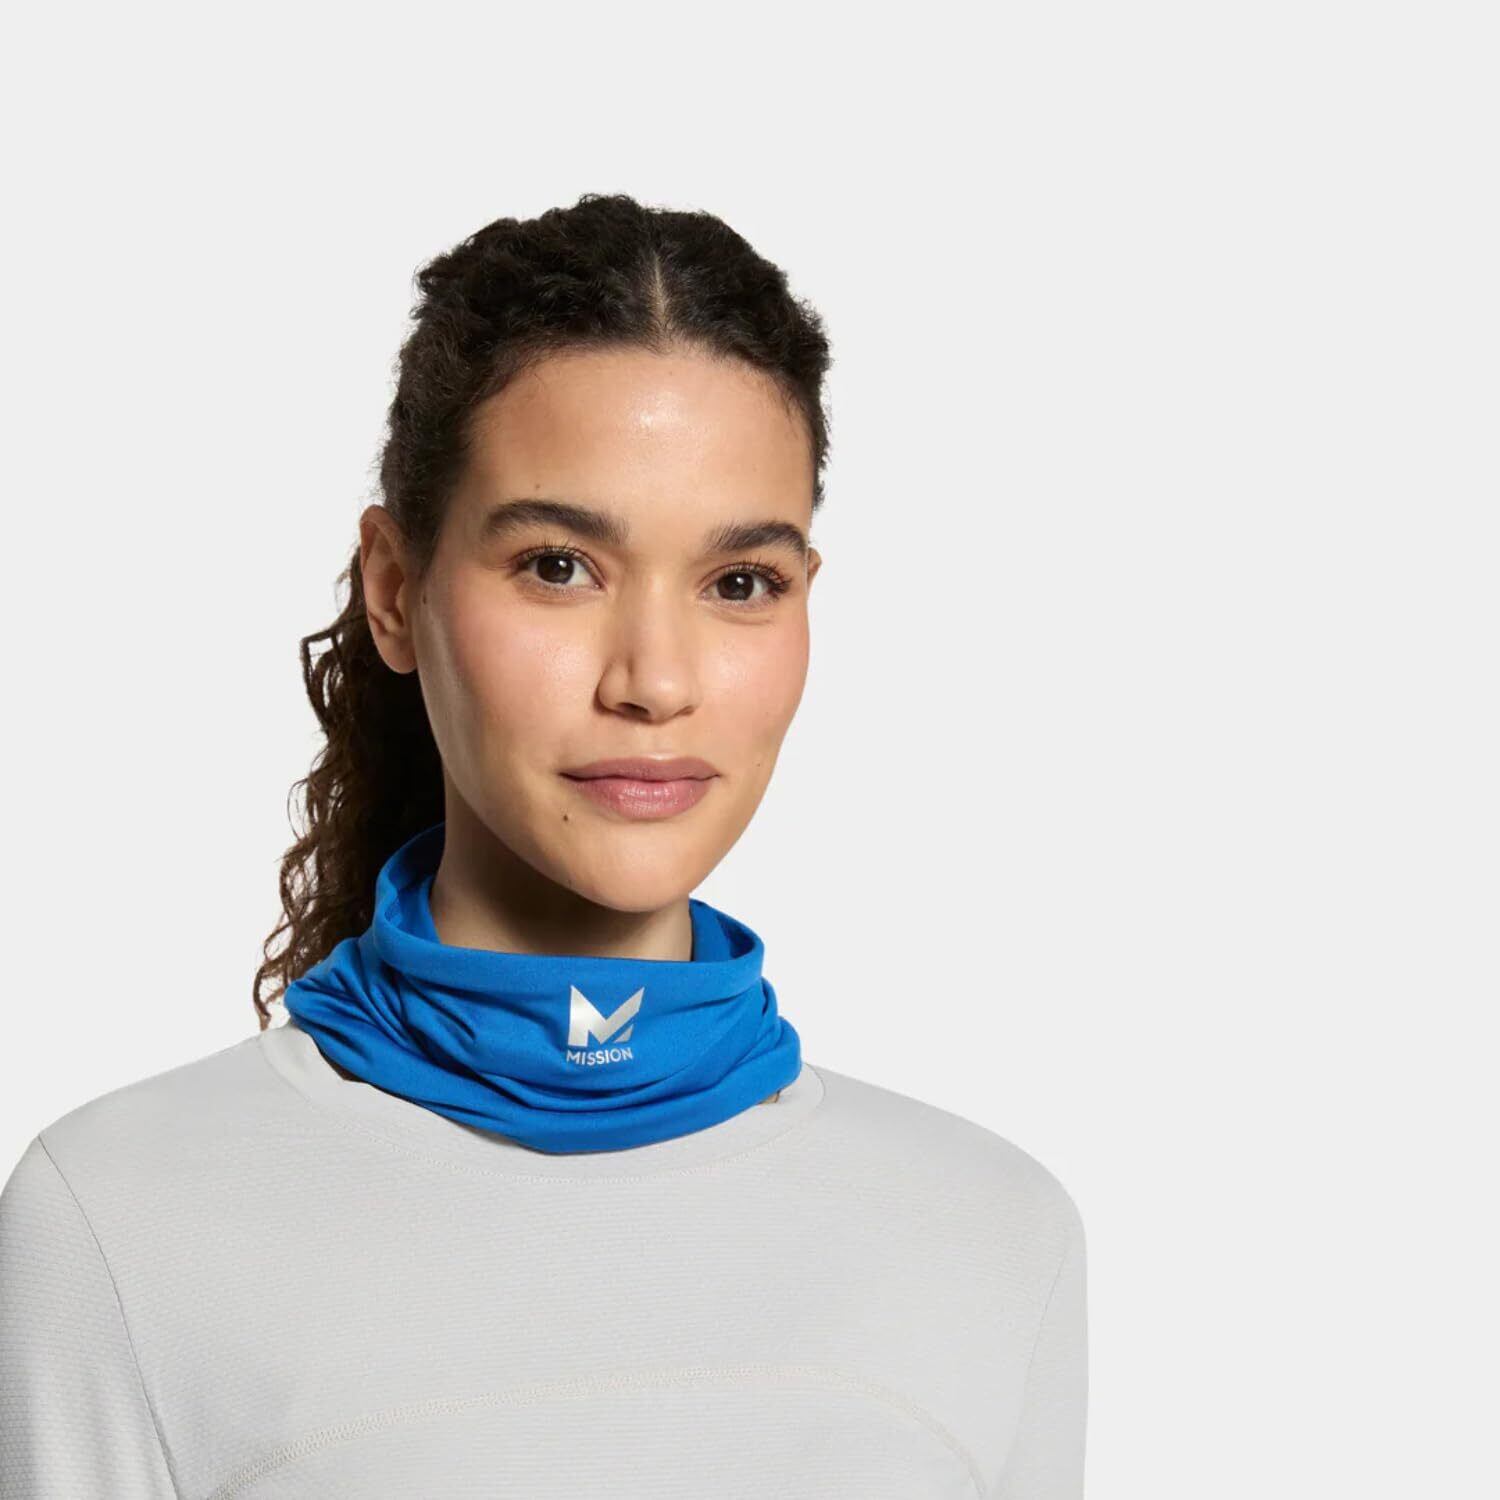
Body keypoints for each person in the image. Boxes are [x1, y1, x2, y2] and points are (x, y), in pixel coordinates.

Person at [0, 192, 1087, 1497]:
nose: (655, 680)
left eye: (740, 583)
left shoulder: (990, 1238)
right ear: (395, 591)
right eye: (560, 566)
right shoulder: (121, 1218)